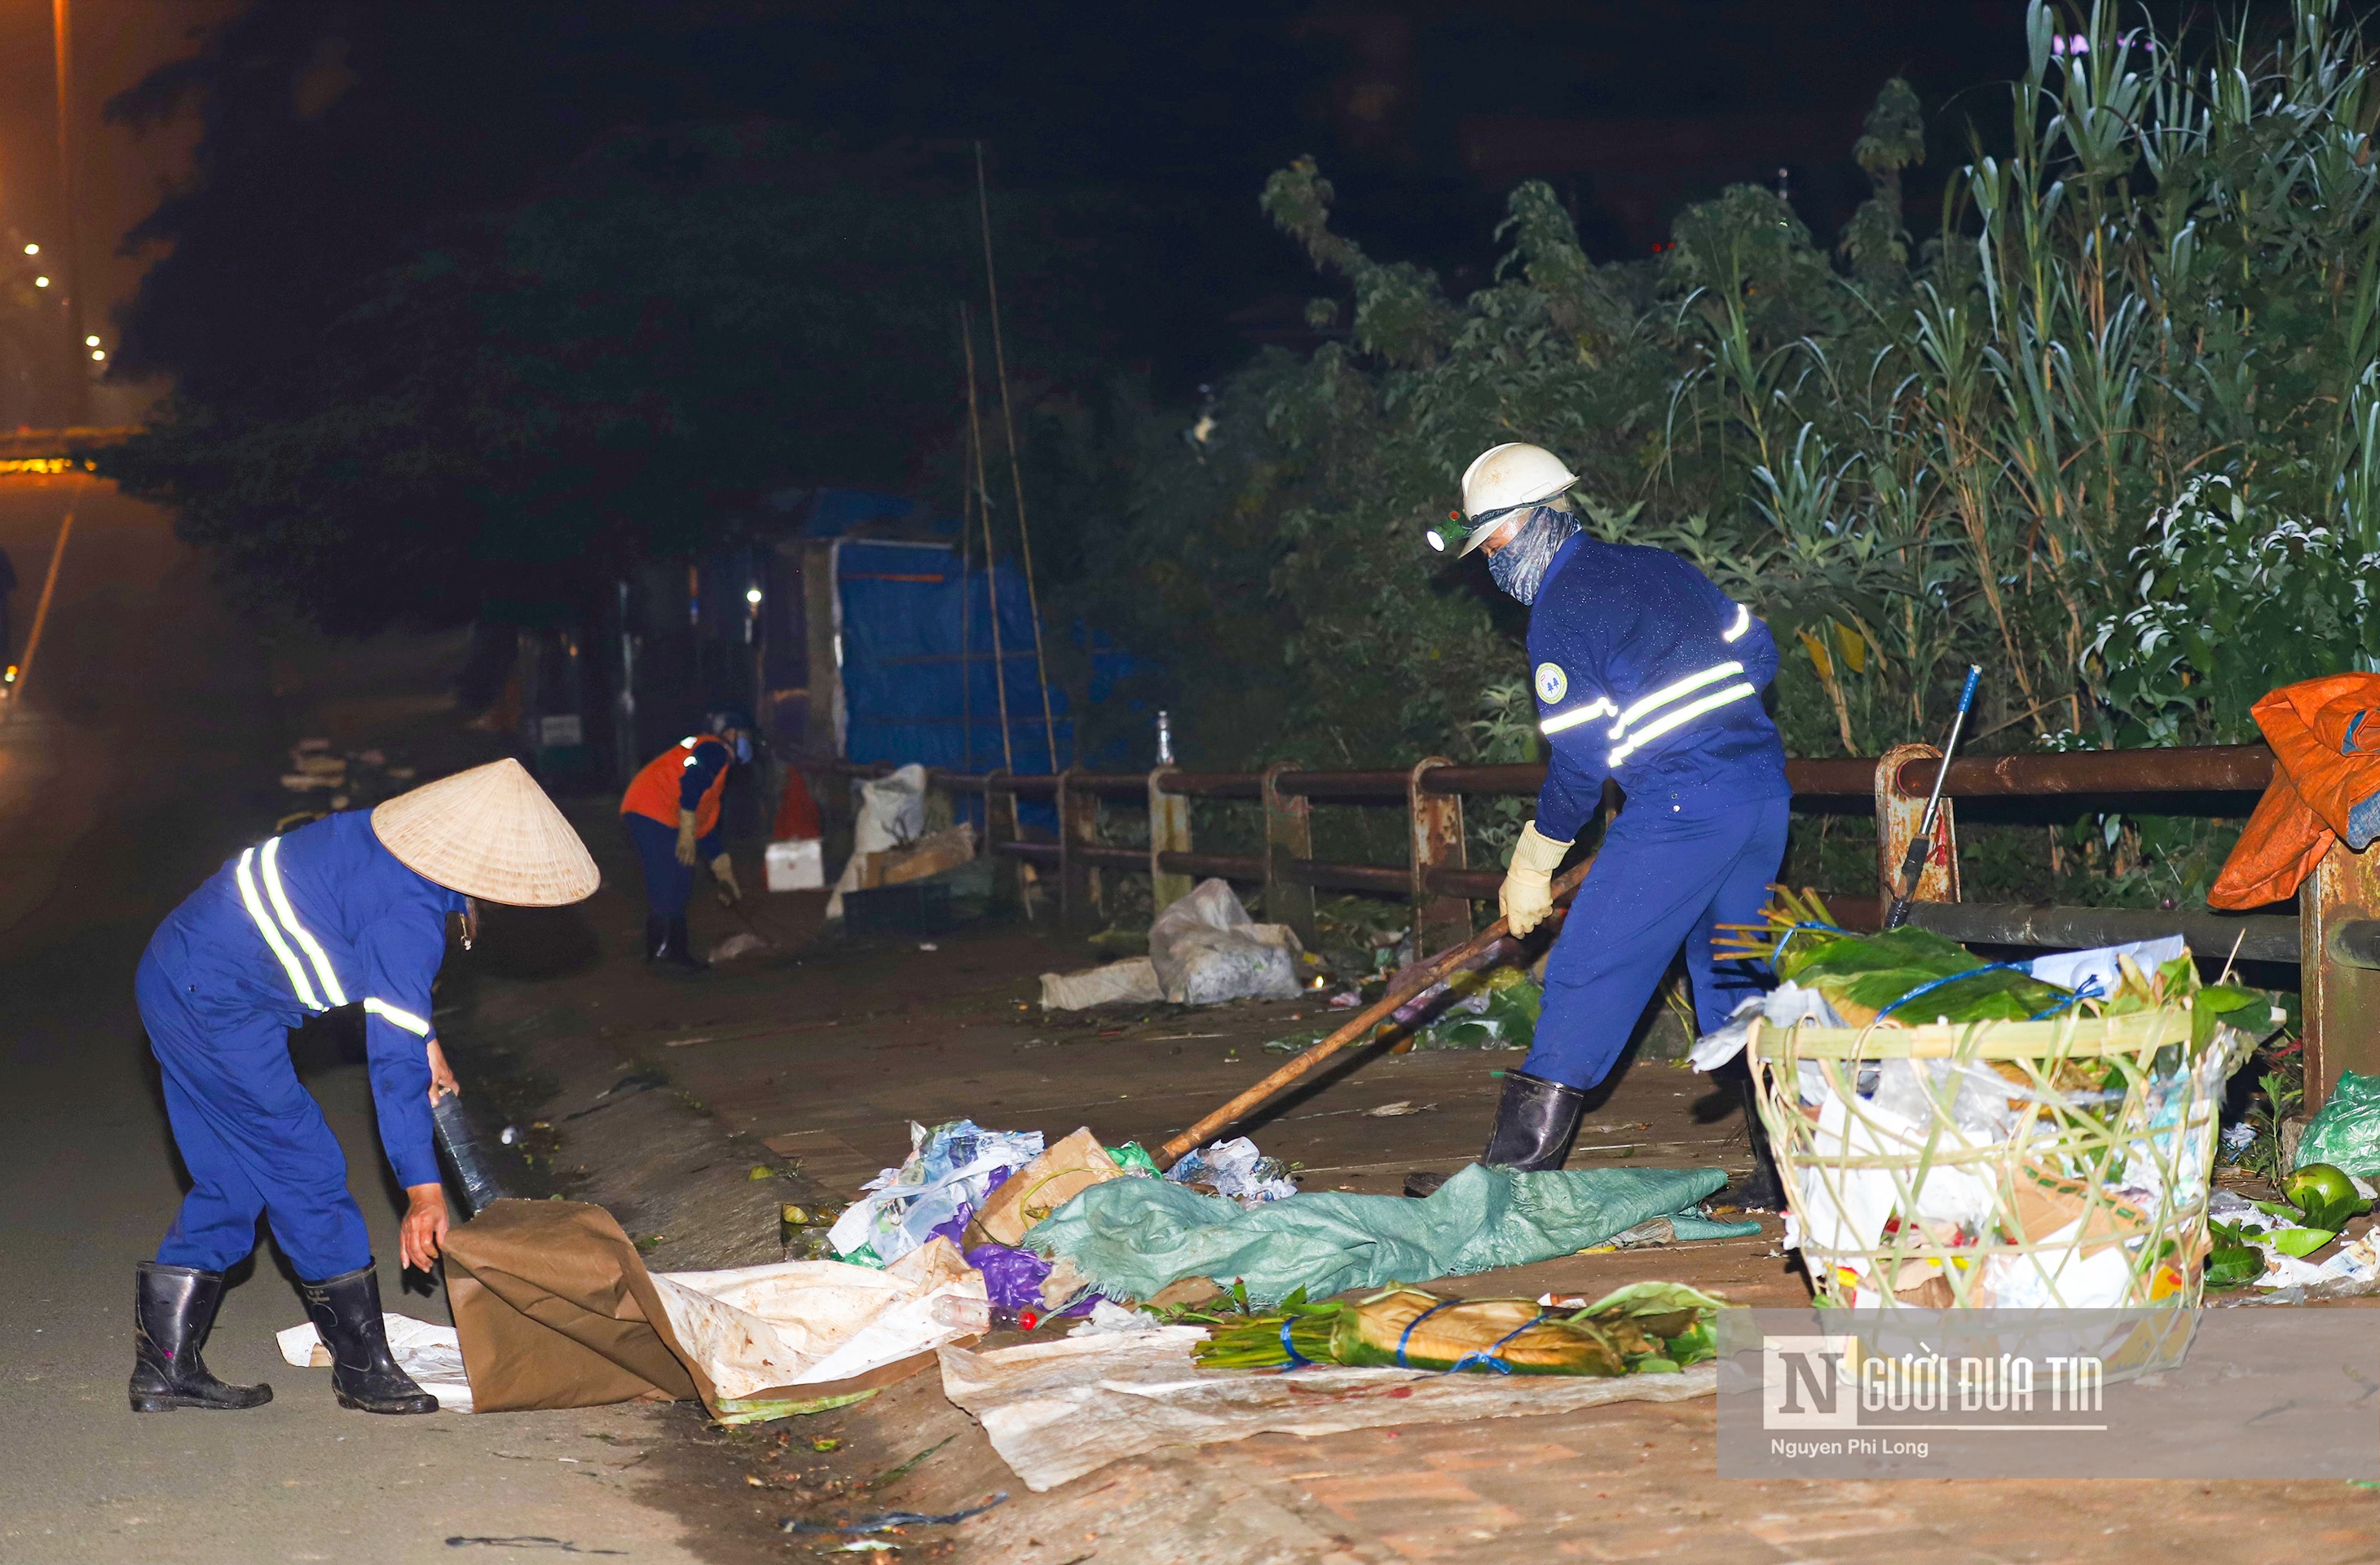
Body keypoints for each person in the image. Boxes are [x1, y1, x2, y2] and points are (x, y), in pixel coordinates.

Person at [131, 758, 599, 1414]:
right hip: (215, 1004)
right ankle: (362, 1370)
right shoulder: (408, 915)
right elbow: (391, 1067)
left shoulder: (381, 845)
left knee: (233, 1180)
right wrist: (423, 1191)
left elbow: (373, 963)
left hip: (175, 972)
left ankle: (165, 1367)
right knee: (305, 1166)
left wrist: (425, 1038)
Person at [1415, 442, 1788, 1204]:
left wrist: (1535, 860)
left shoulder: (1559, 614)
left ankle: (1508, 1188)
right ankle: (1787, 1176)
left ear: (1531, 525)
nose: (1491, 567)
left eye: (1491, 546)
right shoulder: (1658, 565)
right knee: (1736, 982)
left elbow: (1580, 764)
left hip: (1682, 812)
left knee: (1588, 966)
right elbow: (1759, 649)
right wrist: (1710, 726)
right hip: (1761, 798)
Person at [619, 709, 752, 970]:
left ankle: (666, 951)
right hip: (653, 811)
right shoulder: (716, 751)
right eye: (745, 736)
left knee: (678, 876)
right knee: (670, 877)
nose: (748, 744)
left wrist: (723, 872)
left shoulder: (715, 762)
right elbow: (691, 787)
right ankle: (666, 953)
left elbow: (705, 827)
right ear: (731, 734)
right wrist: (687, 830)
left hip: (656, 811)